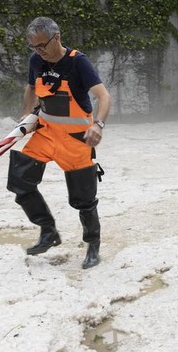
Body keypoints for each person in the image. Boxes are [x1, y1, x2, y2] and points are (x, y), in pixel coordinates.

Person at [7, 16, 111, 269]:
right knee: (20, 182)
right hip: (45, 134)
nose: (39, 51)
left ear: (57, 37)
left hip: (76, 139)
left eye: (42, 45)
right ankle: (48, 231)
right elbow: (31, 88)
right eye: (34, 47)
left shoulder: (78, 62)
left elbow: (103, 95)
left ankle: (93, 246)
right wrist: (25, 115)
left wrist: (98, 124)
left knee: (84, 199)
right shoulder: (36, 61)